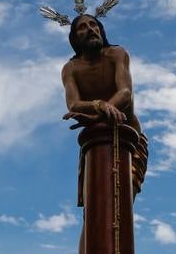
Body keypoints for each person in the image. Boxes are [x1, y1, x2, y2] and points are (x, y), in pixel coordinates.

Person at [61, 14, 148, 197]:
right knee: (94, 207)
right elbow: (73, 104)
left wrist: (98, 114)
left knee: (122, 198)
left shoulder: (117, 54)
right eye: (83, 27)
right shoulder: (71, 69)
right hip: (95, 139)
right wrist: (100, 105)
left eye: (94, 24)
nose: (91, 29)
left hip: (128, 136)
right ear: (75, 38)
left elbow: (125, 93)